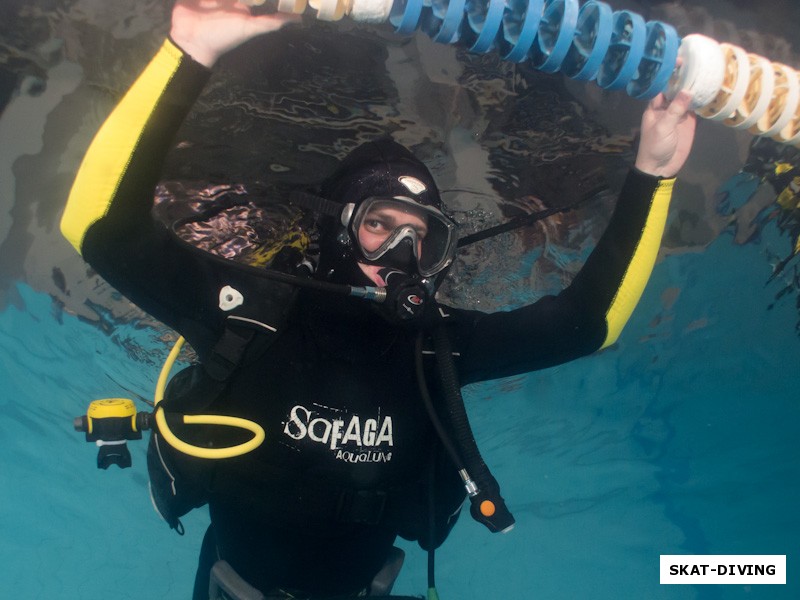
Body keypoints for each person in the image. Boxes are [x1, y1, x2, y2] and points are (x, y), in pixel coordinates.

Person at [61, 1, 697, 598]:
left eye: (420, 236)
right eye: (378, 225)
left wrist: (655, 174)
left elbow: (590, 323)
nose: (400, 253)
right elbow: (98, 227)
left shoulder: (436, 345)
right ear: (339, 228)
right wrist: (188, 50)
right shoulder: (248, 314)